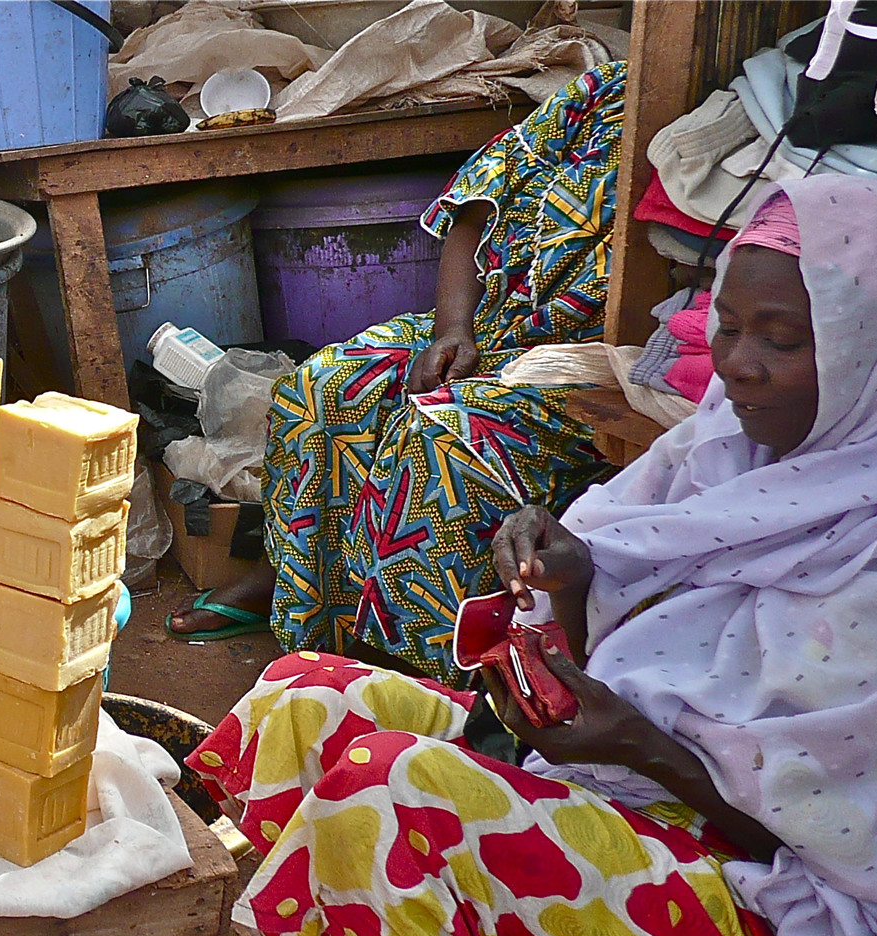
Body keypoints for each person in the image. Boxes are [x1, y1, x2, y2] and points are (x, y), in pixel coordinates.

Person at [187, 175, 877, 936]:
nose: (736, 366)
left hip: (784, 916)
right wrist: (574, 581)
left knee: (388, 794)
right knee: (301, 697)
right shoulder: (716, 455)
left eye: (781, 340)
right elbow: (616, 666)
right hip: (630, 787)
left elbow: (841, 855)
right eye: (728, 328)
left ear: (871, 355)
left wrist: (638, 747)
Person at [168, 63, 626, 686]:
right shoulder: (601, 94)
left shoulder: (727, 152)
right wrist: (453, 330)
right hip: (490, 319)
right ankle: (293, 588)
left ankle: (411, 663)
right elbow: (473, 209)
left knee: (443, 434)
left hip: (583, 364)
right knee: (322, 385)